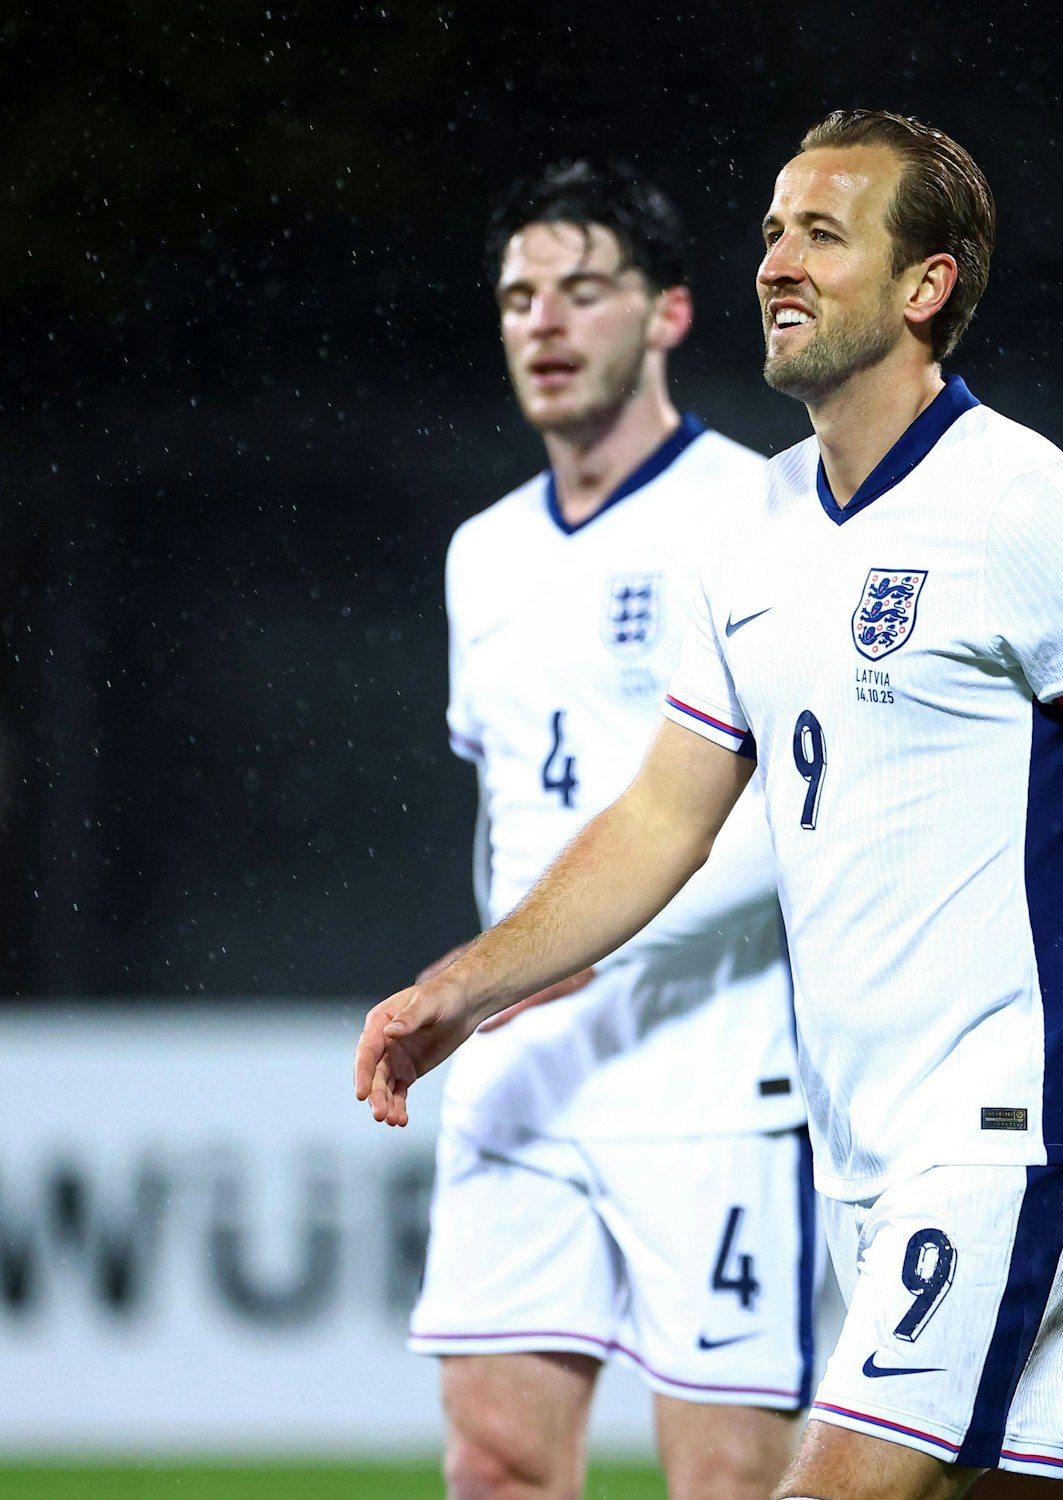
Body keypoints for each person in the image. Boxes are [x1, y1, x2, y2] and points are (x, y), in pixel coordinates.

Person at [361, 114, 1063, 1500]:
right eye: (772, 234)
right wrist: (463, 987)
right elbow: (658, 822)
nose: (776, 265)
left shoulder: (1030, 511)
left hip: (1012, 1128)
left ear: (925, 288)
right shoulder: (753, 531)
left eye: (821, 235)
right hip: (869, 1150)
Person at [401, 159, 815, 1500]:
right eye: (521, 297)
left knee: (728, 1485)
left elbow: (801, 811)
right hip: (523, 1064)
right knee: (498, 1460)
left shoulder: (766, 514)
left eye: (584, 291)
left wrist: (581, 938)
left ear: (671, 316)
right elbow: (504, 811)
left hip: (715, 1066)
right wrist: (507, 963)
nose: (545, 324)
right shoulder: (484, 553)